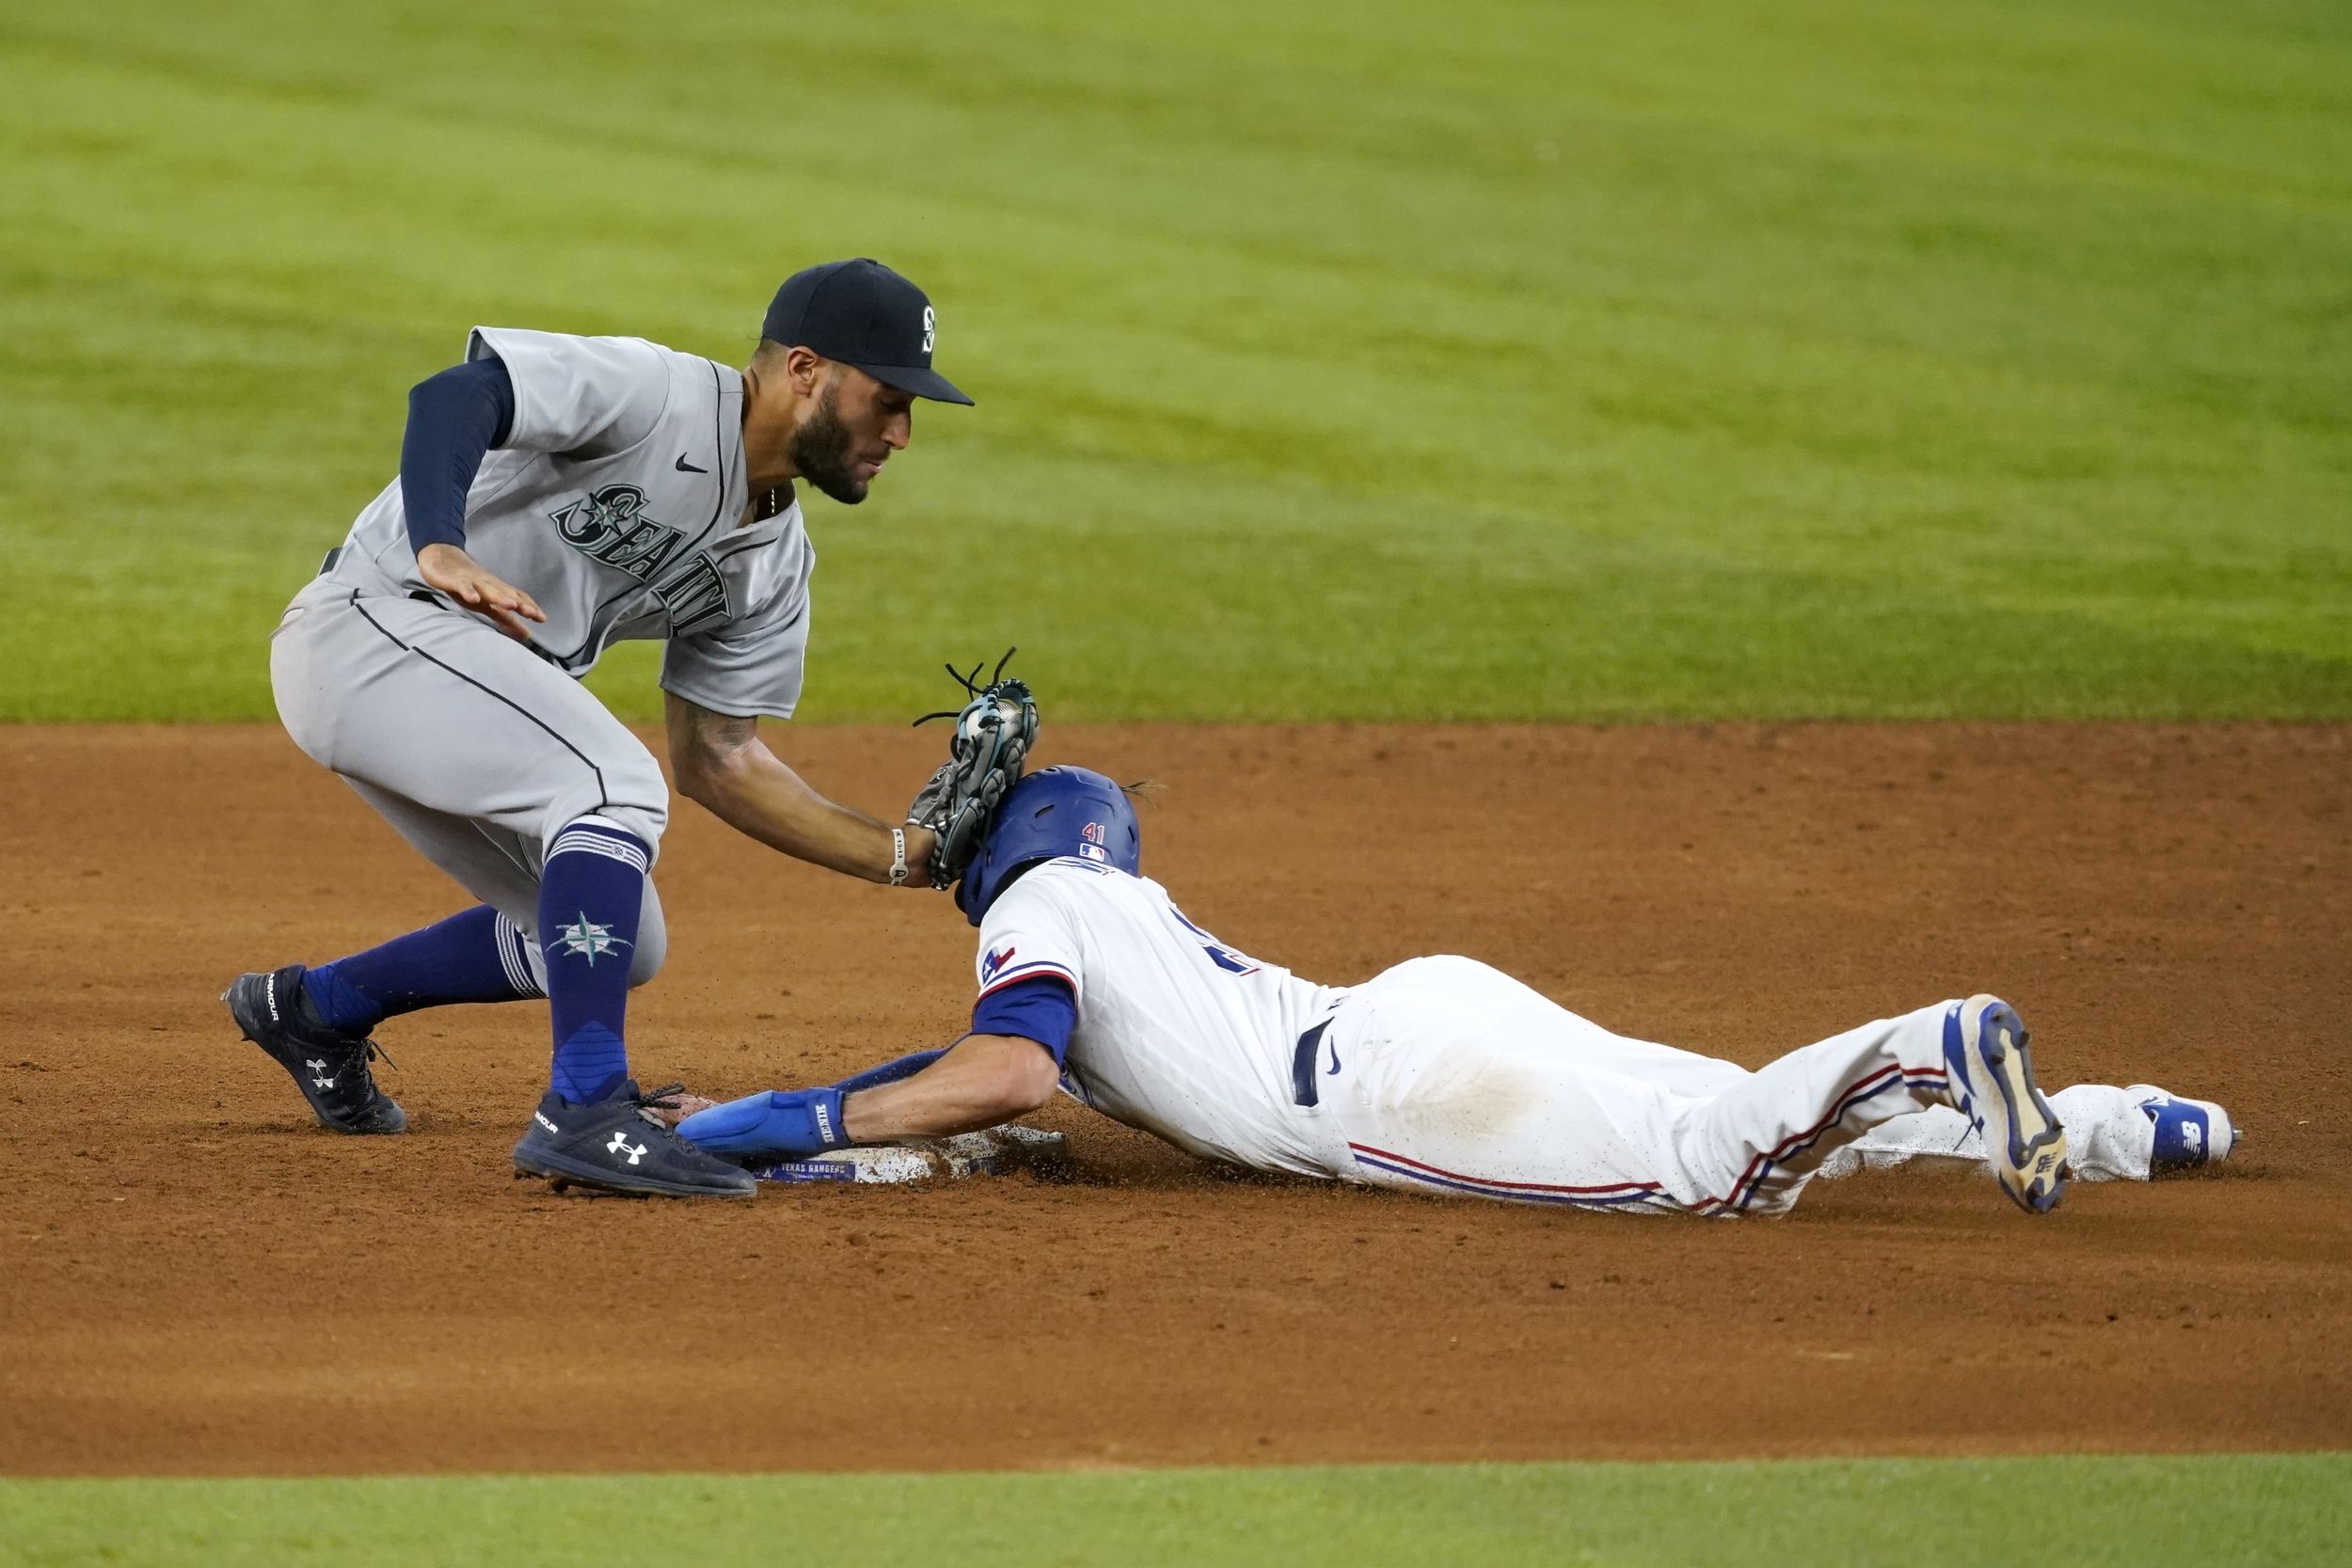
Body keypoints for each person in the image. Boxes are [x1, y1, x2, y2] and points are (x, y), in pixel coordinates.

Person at [229, 259, 976, 1199]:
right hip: (373, 623)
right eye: (888, 399)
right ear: (804, 369)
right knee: (613, 786)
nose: (902, 434)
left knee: (621, 937)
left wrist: (908, 852)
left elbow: (721, 758)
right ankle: (585, 1105)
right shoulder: (657, 394)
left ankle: (314, 1008)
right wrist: (440, 541)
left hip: (449, 679)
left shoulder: (774, 566)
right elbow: (458, 393)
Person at [675, 768, 2241, 1213]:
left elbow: (1004, 1080)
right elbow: (978, 1076)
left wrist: (795, 1116)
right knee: (1707, 1095)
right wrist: (775, 1116)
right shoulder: (1113, 907)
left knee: (1715, 1170)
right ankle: (2117, 1127)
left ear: (1018, 849)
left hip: (1400, 1090)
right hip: (1422, 1011)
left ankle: (1930, 1040)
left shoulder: (1039, 914)